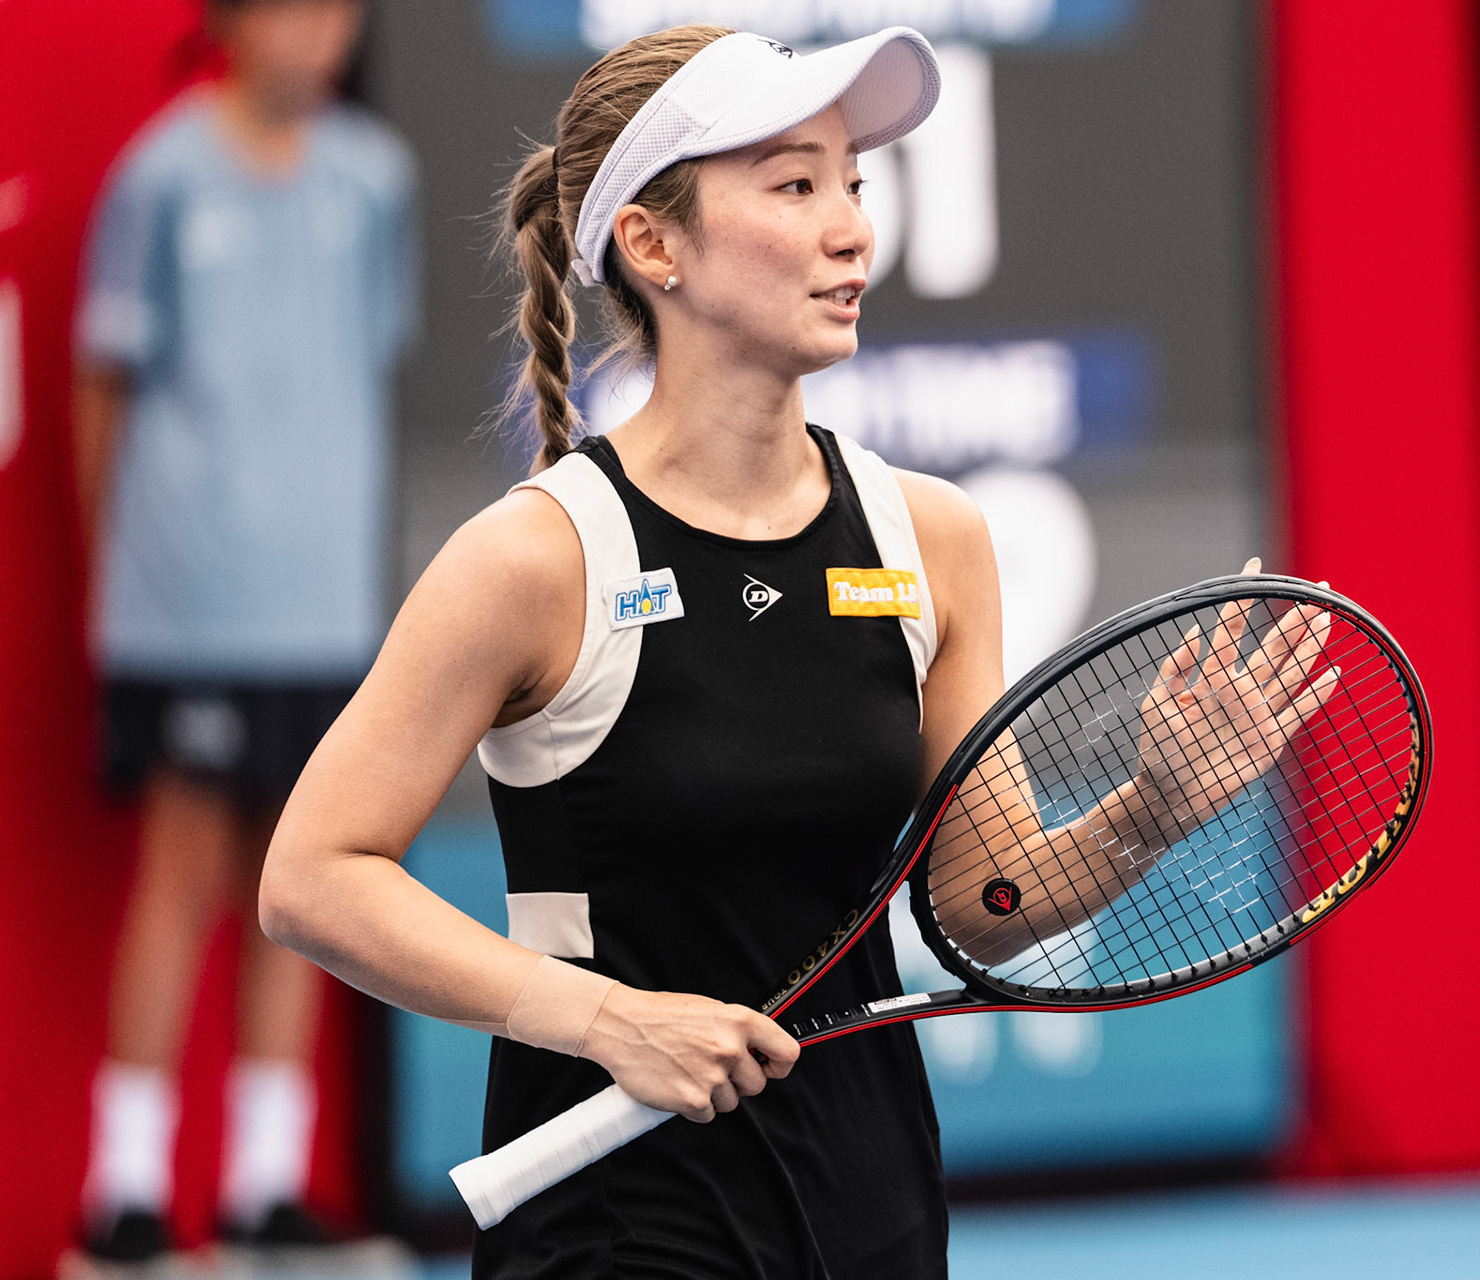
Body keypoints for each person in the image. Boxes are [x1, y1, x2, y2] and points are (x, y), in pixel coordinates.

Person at [260, 23, 1307, 1276]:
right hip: (616, 1220)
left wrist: (1149, 809)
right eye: (795, 185)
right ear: (654, 247)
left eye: (853, 185)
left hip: (869, 1197)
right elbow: (313, 875)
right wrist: (607, 1018)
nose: (853, 227)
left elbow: (981, 901)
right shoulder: (538, 559)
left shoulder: (931, 537)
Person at [71, 0, 415, 1262]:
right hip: (187, 613)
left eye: (337, 11)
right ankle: (126, 1190)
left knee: (306, 885)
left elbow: (363, 374)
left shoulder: (376, 181)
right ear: (229, 22)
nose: (318, 33)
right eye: (291, 8)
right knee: (184, 874)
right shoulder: (159, 175)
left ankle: (265, 1184)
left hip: (329, 615)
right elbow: (102, 383)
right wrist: (129, 588)